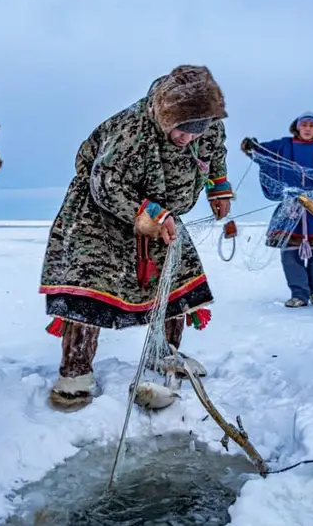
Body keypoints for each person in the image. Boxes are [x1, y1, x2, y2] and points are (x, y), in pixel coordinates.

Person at [39, 65, 235, 411]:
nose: (189, 138)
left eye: (197, 130)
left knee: (176, 280)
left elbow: (214, 155)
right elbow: (106, 183)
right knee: (91, 287)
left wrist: (218, 189)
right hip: (99, 212)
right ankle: (75, 375)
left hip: (162, 214)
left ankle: (164, 353)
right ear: (165, 116)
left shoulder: (208, 126)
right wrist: (148, 215)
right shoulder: (130, 129)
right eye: (182, 130)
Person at [240, 111, 313, 308]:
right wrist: (252, 146)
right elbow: (263, 152)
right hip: (290, 209)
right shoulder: (284, 146)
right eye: (304, 125)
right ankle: (299, 295)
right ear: (297, 126)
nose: (308, 128)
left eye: (312, 125)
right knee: (289, 252)